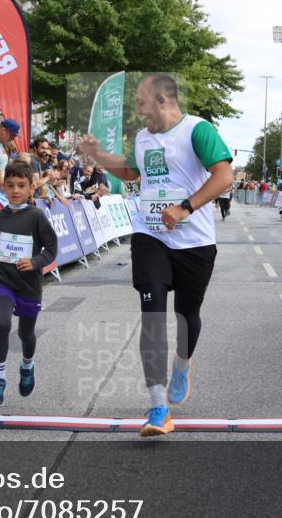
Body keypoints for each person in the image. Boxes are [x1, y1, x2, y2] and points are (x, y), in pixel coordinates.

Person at [78, 72, 233, 437]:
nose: (137, 108)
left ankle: (182, 364)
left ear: (163, 99)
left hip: (193, 241)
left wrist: (185, 208)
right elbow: (131, 171)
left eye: (141, 101)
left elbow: (224, 176)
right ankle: (158, 407)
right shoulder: (144, 138)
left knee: (187, 316)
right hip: (150, 235)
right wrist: (97, 153)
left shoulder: (198, 130)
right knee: (152, 317)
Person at [0, 161, 58, 406]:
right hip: (4, 280)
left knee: (25, 333)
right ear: (3, 188)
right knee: (1, 324)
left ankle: (27, 365)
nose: (15, 190)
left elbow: (52, 249)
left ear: (31, 188)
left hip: (29, 284)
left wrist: (35, 262)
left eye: (21, 186)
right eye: (10, 185)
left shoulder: (36, 216)